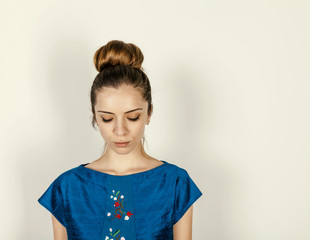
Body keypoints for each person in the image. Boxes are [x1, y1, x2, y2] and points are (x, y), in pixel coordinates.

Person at [38, 40, 203, 240]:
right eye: (107, 118)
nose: (120, 130)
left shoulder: (175, 183)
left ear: (149, 112)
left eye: (132, 117)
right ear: (95, 116)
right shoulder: (67, 188)